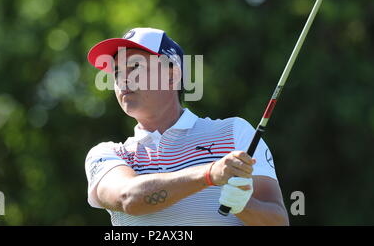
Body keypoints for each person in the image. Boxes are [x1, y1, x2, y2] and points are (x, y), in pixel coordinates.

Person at [85, 27, 289, 225]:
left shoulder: (235, 133)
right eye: (117, 71)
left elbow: (278, 222)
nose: (123, 79)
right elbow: (128, 198)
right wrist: (209, 174)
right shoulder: (107, 154)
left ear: (172, 75)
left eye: (135, 66)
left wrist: (243, 205)